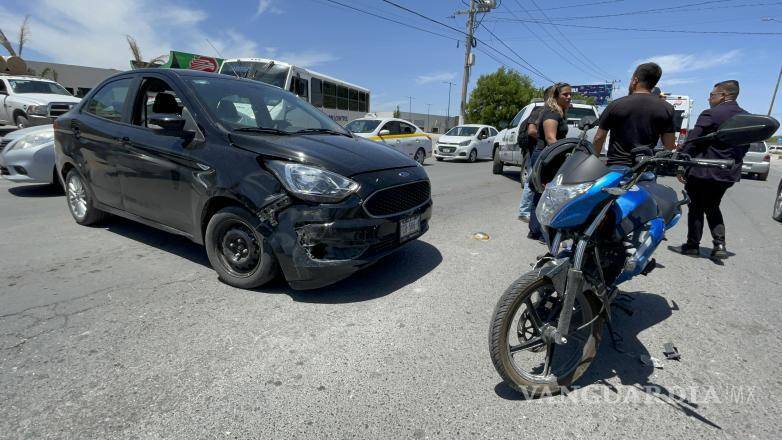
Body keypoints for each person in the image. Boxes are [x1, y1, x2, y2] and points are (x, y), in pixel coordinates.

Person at [677, 80, 747, 259]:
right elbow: (745, 147)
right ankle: (719, 245)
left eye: (712, 95)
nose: (709, 99)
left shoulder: (711, 114)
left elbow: (693, 140)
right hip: (728, 173)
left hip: (703, 171)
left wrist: (681, 164)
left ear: (723, 95)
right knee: (713, 206)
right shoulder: (746, 117)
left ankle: (693, 245)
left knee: (696, 207)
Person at [593, 63, 676, 167]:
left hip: (616, 166)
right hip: (644, 168)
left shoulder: (616, 105)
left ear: (635, 80)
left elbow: (599, 137)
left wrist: (594, 161)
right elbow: (669, 145)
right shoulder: (666, 108)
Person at [528, 82, 571, 241]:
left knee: (544, 193)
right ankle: (541, 232)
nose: (569, 97)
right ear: (555, 96)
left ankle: (536, 230)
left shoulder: (558, 112)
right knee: (545, 193)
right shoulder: (552, 113)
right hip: (547, 157)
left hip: (550, 155)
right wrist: (567, 151)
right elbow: (551, 138)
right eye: (565, 94)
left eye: (570, 94)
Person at [518, 86, 553, 222]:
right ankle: (524, 211)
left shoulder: (552, 112)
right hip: (537, 150)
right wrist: (545, 137)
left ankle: (533, 211)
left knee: (538, 181)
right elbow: (531, 131)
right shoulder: (539, 111)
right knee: (532, 179)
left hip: (544, 151)